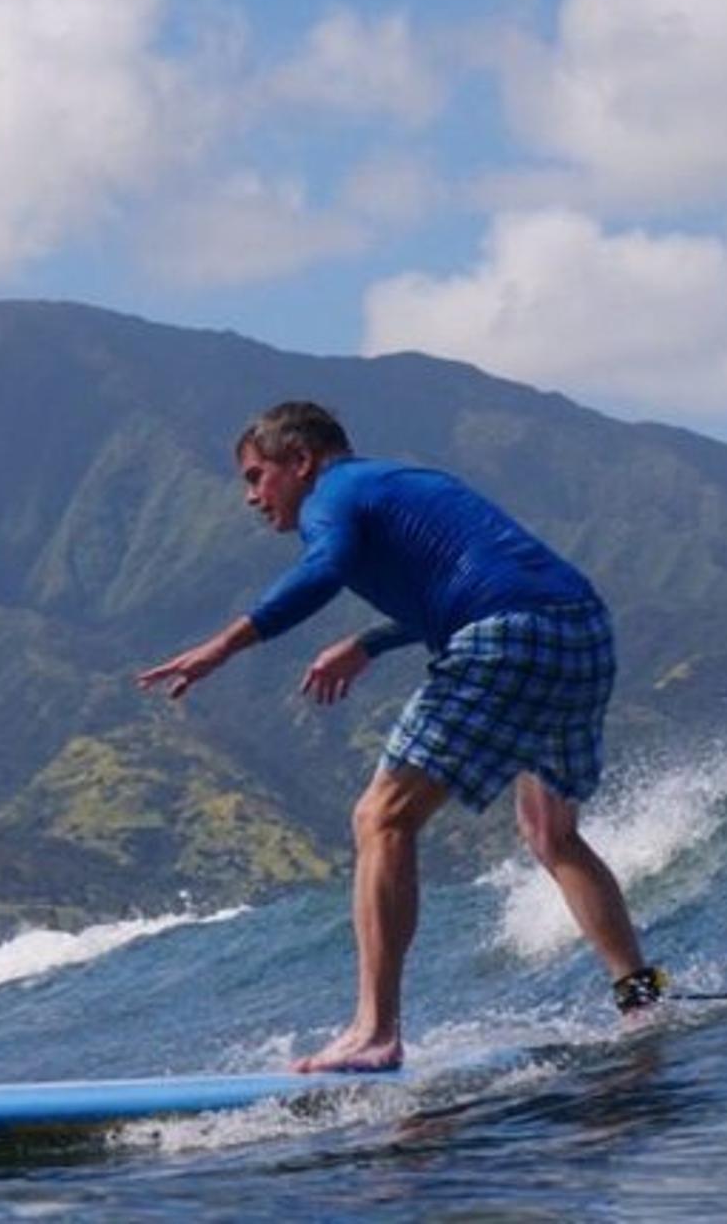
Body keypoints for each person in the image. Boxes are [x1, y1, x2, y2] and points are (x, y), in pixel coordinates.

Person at [138, 401, 663, 1072]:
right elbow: (476, 582)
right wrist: (370, 642)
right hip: (581, 632)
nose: (250, 497)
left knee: (381, 817)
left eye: (255, 476)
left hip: (512, 638)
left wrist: (223, 646)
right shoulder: (393, 485)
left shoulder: (331, 494)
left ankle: (374, 1031)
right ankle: (641, 999)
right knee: (551, 833)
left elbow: (324, 569)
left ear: (300, 460)